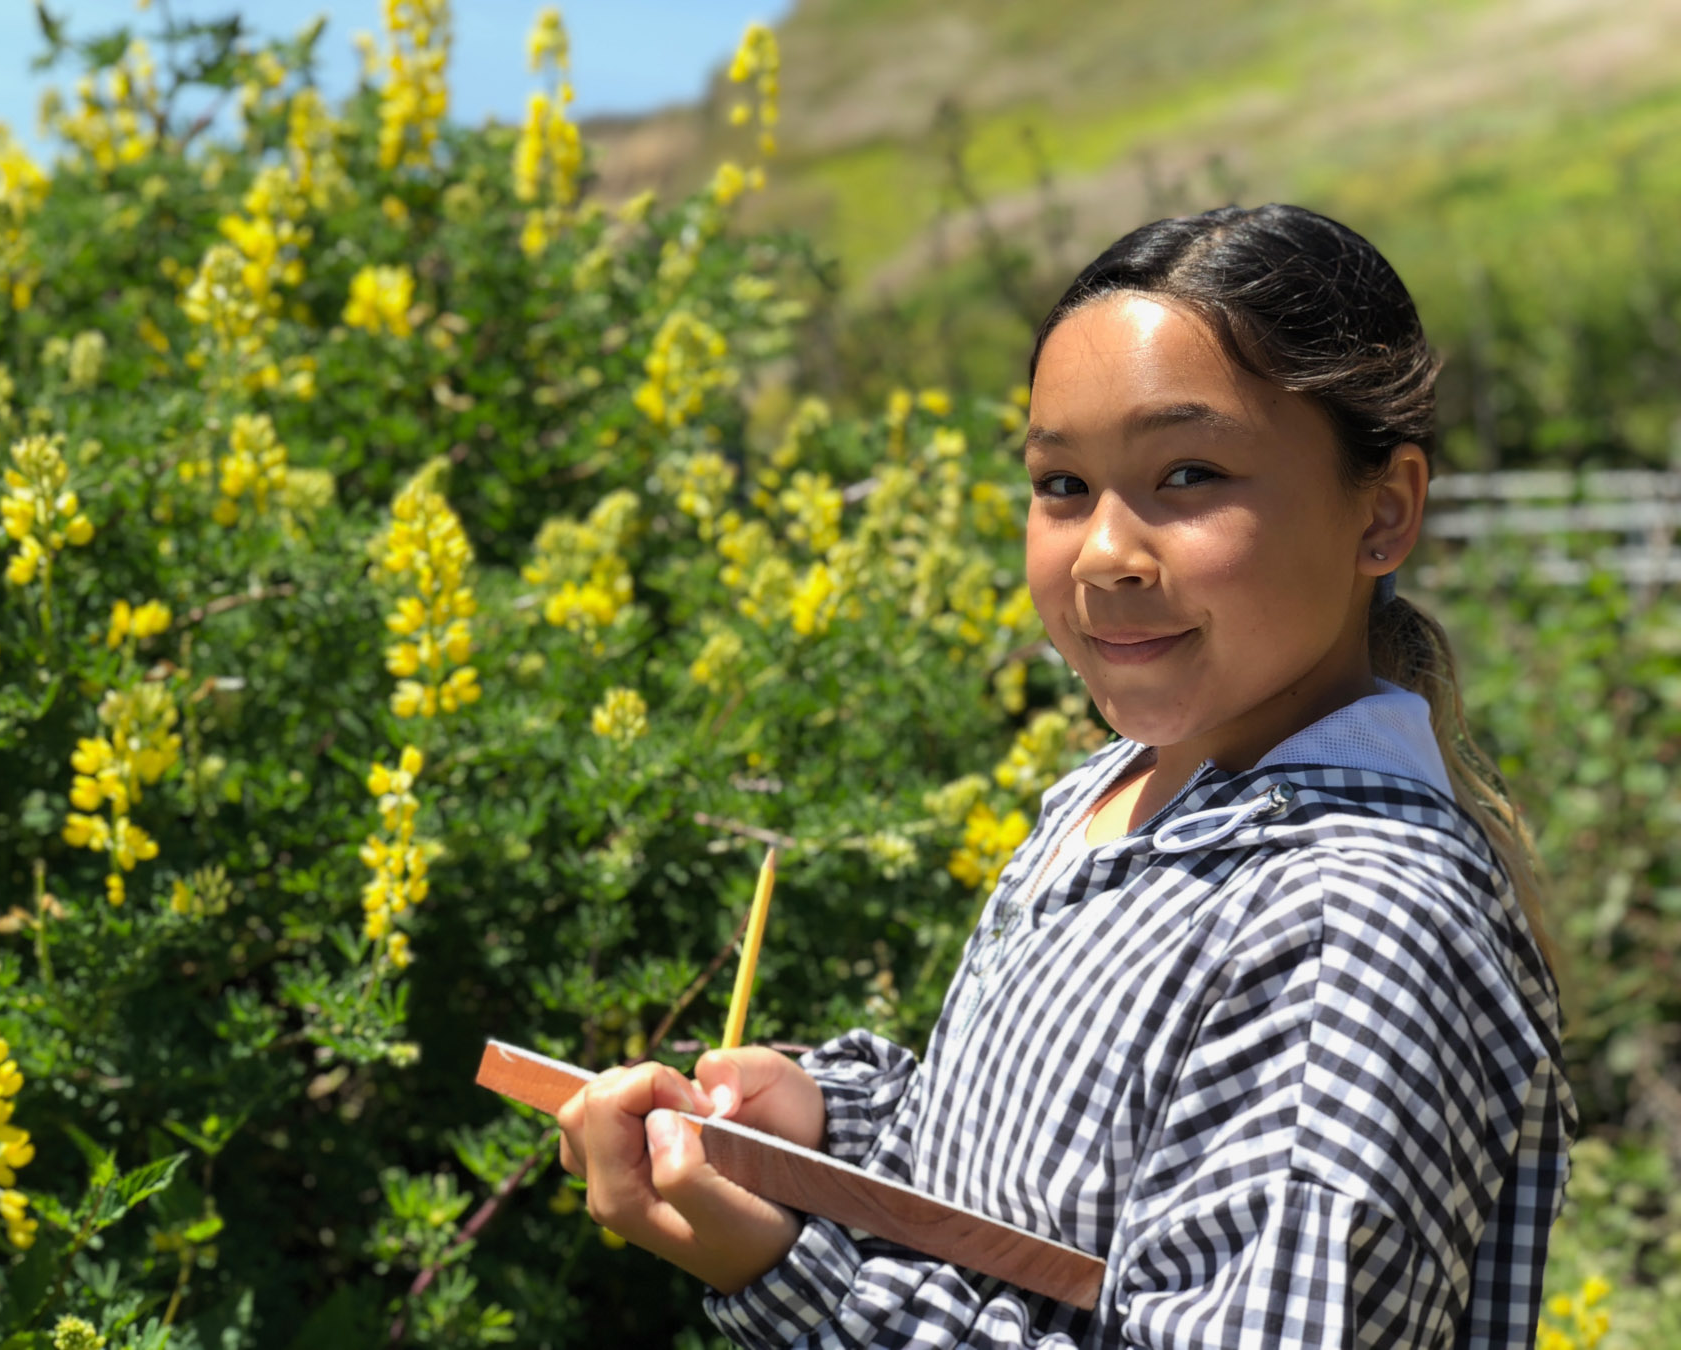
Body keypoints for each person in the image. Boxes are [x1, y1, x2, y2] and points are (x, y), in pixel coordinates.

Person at [556, 203, 1577, 1348]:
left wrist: (798, 1280)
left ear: (1384, 513)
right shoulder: (1117, 797)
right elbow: (1028, 1197)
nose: (1104, 554)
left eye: (1188, 474)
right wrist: (820, 1133)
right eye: (1061, 485)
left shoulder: (1351, 924)